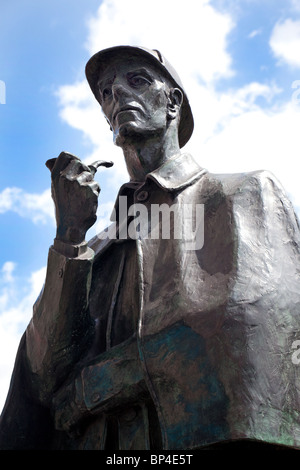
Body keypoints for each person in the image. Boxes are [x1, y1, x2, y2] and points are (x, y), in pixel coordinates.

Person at [1, 46, 300, 451]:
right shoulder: (93, 248)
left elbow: (250, 323)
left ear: (172, 101)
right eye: (106, 92)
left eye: (136, 80)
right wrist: (70, 235)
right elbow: (40, 374)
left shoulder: (240, 193)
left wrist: (100, 383)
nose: (117, 95)